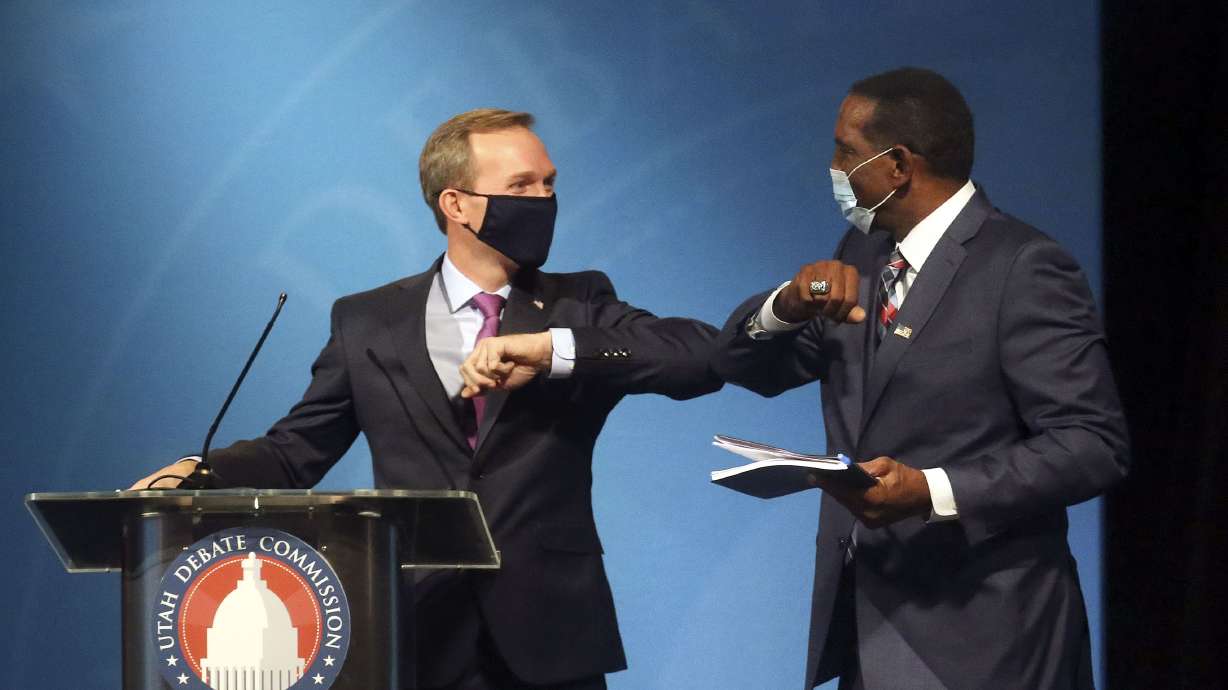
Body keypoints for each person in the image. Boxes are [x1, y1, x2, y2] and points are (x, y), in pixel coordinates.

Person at [130, 108, 722, 690]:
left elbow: (700, 358)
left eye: (549, 184)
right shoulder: (367, 321)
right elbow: (296, 453)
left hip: (552, 638)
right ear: (455, 203)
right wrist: (198, 471)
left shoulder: (578, 304)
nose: (542, 199)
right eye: (521, 186)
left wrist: (552, 351)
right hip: (416, 633)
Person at [712, 68, 1129, 690]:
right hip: (870, 622)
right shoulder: (863, 254)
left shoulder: (1024, 267)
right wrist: (786, 306)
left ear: (897, 165)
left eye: (845, 152)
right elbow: (745, 366)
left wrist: (932, 491)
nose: (833, 167)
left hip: (989, 637)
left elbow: (1093, 445)